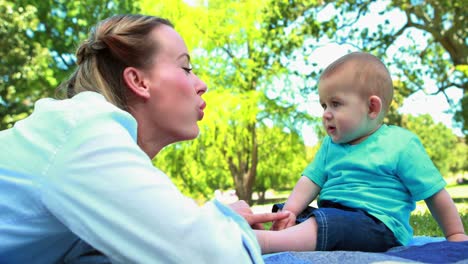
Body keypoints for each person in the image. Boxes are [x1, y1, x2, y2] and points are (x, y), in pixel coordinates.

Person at [0, 14, 289, 263]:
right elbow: (214, 257)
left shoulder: (82, 135)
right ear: (138, 81)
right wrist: (228, 222)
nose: (202, 85)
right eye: (186, 68)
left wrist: (213, 222)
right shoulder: (86, 136)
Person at [255, 52, 467, 254]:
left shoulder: (401, 144)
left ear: (372, 108)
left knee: (329, 224)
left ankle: (265, 242)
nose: (326, 114)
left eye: (335, 104)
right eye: (323, 105)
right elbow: (310, 180)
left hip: (378, 226)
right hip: (331, 217)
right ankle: (286, 234)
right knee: (293, 211)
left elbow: (434, 193)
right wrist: (289, 212)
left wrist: (455, 233)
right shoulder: (330, 146)